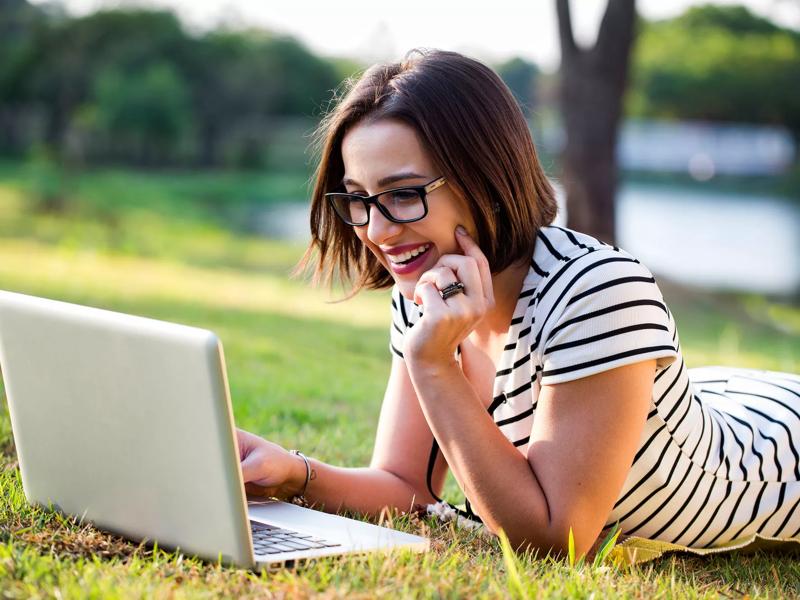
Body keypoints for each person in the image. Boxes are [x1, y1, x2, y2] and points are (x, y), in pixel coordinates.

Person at [236, 48, 800, 557]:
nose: (377, 231)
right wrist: (294, 473)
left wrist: (434, 366)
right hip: (720, 400)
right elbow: (406, 487)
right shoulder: (430, 288)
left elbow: (557, 539)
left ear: (483, 176)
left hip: (777, 454)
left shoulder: (596, 291)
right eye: (358, 200)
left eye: (403, 195)